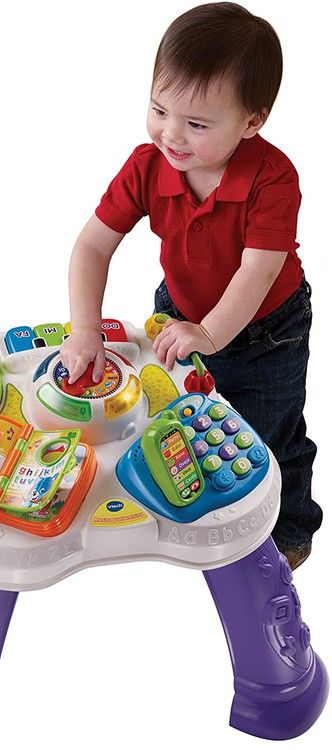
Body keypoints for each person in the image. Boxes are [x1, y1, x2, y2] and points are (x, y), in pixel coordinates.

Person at [59, 2, 322, 569]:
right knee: (182, 421)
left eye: (197, 124)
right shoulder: (147, 164)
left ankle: (288, 529)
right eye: (159, 110)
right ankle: (199, 508)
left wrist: (209, 333)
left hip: (265, 335)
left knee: (266, 435)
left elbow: (259, 270)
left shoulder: (274, 178)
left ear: (251, 122)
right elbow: (92, 246)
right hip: (180, 315)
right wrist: (84, 330)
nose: (171, 134)